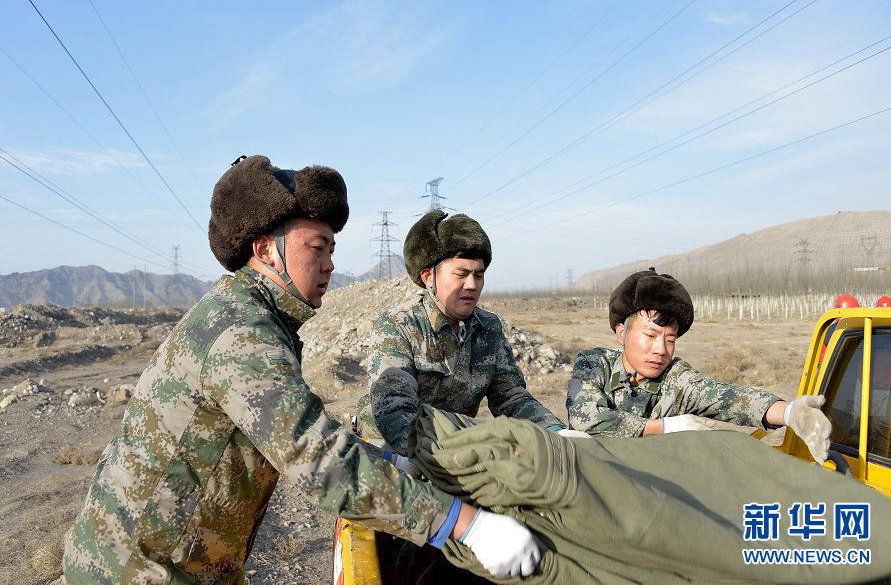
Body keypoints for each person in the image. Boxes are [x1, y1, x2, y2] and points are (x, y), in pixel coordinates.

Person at [62, 156, 541, 583]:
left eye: (332, 250)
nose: (331, 264)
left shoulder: (256, 316)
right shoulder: (241, 334)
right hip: (141, 568)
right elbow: (317, 459)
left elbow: (310, 427)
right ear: (266, 249)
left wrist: (394, 462)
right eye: (319, 248)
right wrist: (468, 525)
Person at [566, 268, 832, 464]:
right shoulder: (593, 364)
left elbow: (731, 399)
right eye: (650, 336)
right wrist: (667, 427)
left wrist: (790, 413)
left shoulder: (676, 378)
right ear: (622, 333)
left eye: (670, 339)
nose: (661, 349)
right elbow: (585, 420)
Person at [364, 209, 565, 458]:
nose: (471, 285)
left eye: (478, 276)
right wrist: (446, 457)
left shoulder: (489, 328)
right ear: (428, 277)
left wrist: (553, 432)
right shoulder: (399, 325)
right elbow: (394, 409)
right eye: (461, 274)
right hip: (393, 450)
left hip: (454, 448)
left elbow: (511, 398)